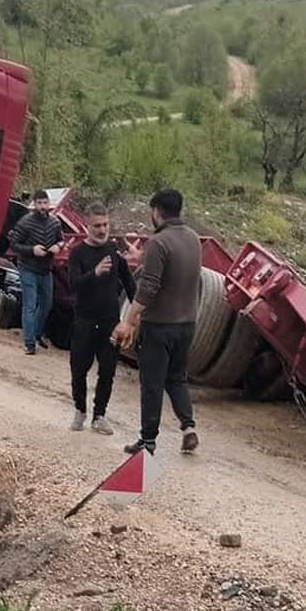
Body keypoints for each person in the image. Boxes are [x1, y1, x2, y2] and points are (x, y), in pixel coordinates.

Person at [112, 188, 201, 456]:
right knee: (177, 378)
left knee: (152, 382)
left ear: (156, 212)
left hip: (159, 326)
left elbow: (149, 287)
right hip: (187, 324)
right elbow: (177, 271)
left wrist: (129, 319)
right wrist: (142, 258)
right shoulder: (193, 239)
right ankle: (188, 427)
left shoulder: (159, 243)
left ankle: (147, 441)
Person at [66, 202, 136, 435]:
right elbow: (73, 285)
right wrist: (94, 274)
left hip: (110, 323)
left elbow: (130, 283)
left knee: (107, 371)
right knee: (78, 368)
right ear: (88, 225)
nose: (102, 229)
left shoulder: (114, 250)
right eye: (97, 225)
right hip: (84, 320)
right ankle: (80, 410)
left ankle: (100, 416)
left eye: (105, 224)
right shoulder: (77, 252)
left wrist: (133, 317)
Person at [8, 190, 63, 355]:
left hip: (46, 270)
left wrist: (57, 247)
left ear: (49, 204)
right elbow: (14, 243)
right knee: (30, 305)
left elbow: (61, 239)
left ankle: (37, 334)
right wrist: (32, 250)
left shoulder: (55, 223)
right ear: (34, 204)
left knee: (46, 305)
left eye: (45, 203)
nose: (42, 207)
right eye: (39, 203)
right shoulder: (25, 223)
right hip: (28, 268)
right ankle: (29, 342)